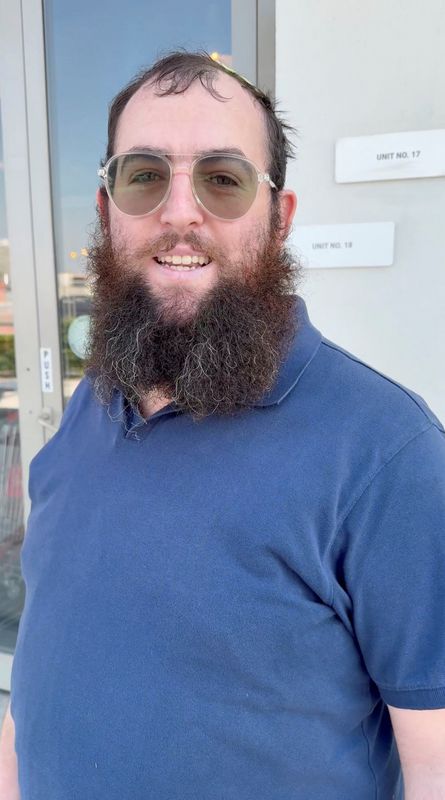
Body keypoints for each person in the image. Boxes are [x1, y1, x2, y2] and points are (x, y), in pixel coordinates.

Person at [1, 50, 445, 800]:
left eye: (223, 178)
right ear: (107, 210)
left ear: (278, 218)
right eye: (144, 175)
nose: (180, 212)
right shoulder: (92, 402)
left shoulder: (386, 453)